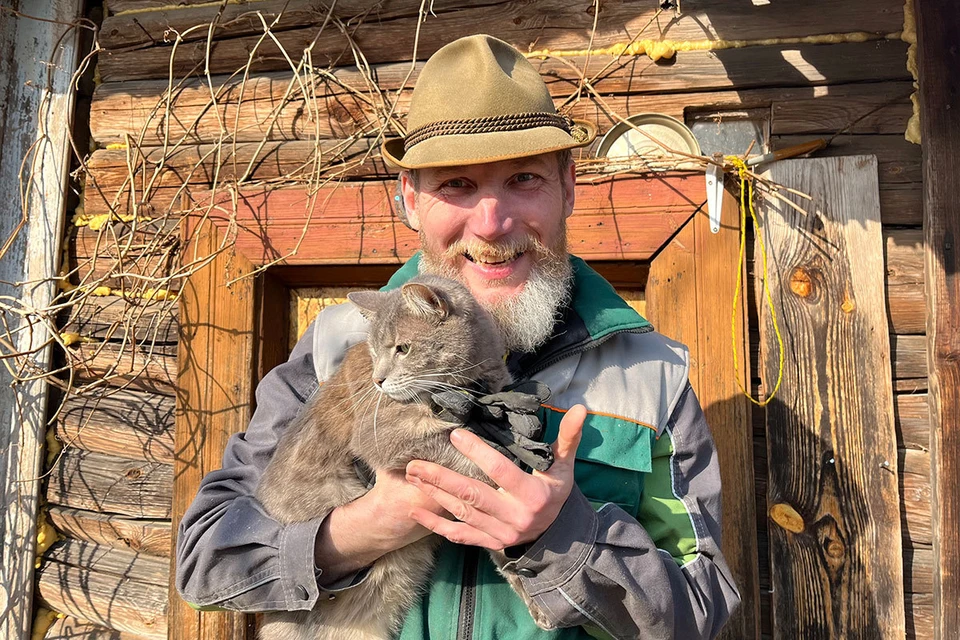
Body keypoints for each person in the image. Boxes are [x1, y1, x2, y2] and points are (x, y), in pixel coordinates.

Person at [176, 34, 740, 639]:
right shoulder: (333, 347)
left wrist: (563, 541)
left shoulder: (651, 375)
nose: (492, 224)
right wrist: (363, 529)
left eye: (524, 178)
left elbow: (700, 612)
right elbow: (206, 563)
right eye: (456, 185)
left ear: (569, 188)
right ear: (410, 200)